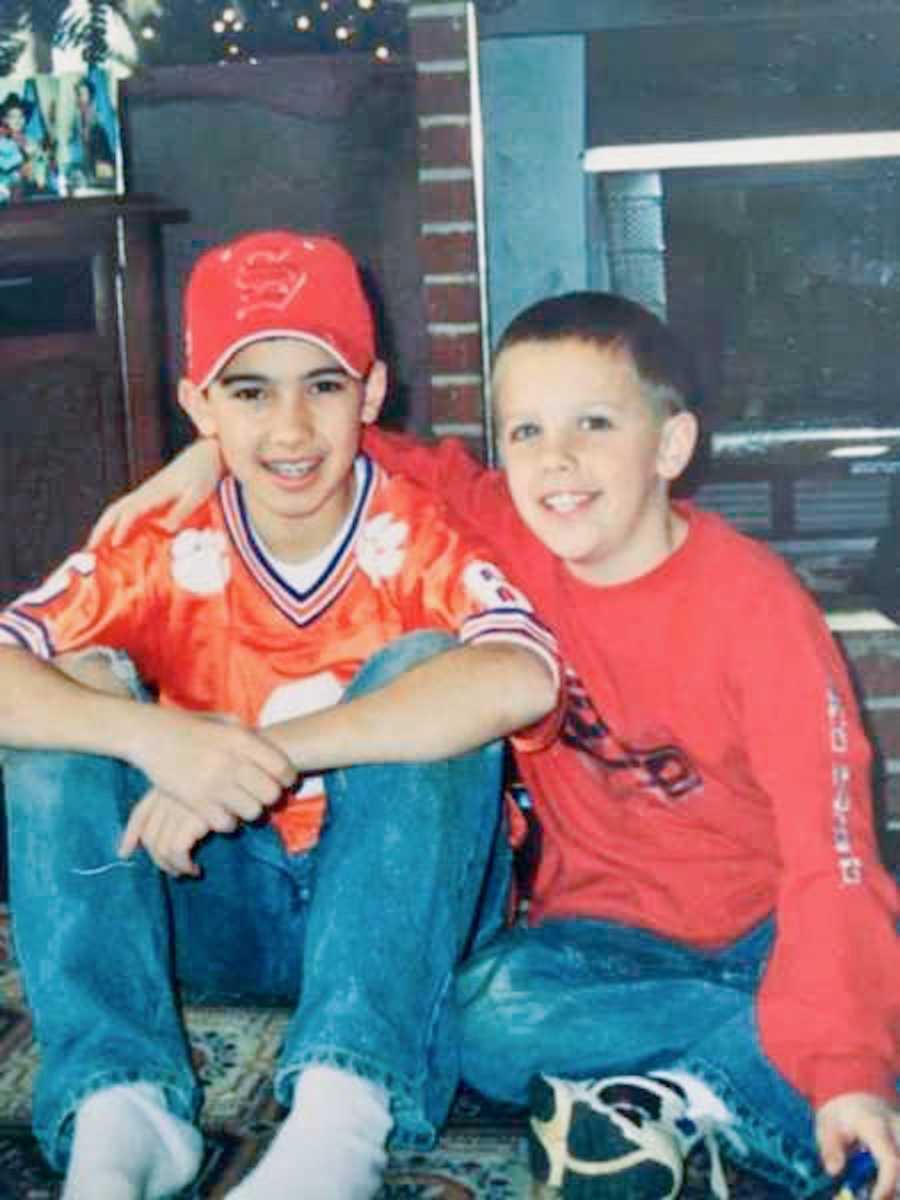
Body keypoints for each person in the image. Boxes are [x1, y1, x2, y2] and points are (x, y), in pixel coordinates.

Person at [90, 290, 900, 1200]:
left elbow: (832, 855)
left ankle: (696, 1097)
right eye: (523, 432)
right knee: (476, 1017)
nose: (557, 460)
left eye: (594, 423)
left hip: (768, 928)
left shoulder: (760, 614)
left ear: (671, 445)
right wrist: (210, 451)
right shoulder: (510, 533)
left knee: (848, 996)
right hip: (594, 948)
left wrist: (849, 1062)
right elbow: (367, 452)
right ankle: (752, 1074)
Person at [0, 229, 562, 1200]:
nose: (292, 427)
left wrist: (262, 756)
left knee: (433, 668)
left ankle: (342, 1119)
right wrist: (154, 737)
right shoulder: (162, 540)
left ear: (373, 395)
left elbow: (523, 677)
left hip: (395, 913)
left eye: (324, 385)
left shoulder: (421, 534)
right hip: (209, 899)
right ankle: (119, 1103)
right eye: (250, 391)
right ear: (198, 407)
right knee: (74, 688)